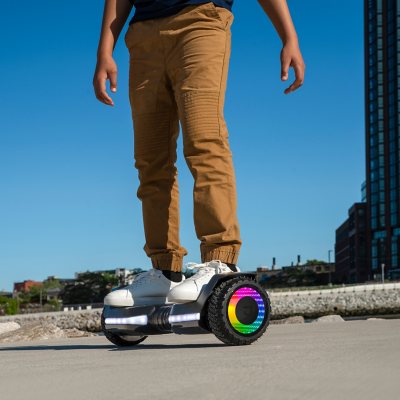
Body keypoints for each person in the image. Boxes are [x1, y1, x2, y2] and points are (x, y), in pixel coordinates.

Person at [93, 0, 305, 306]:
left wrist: (290, 37)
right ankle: (163, 269)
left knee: (204, 141)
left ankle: (220, 259)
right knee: (150, 160)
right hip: (142, 34)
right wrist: (105, 51)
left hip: (201, 20)